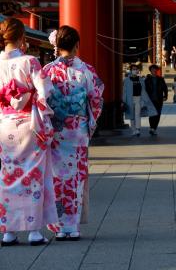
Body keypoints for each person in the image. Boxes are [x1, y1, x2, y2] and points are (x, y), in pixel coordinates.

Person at [0, 18, 57, 246]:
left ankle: (9, 232)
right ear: (22, 37)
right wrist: (32, 99)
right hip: (29, 124)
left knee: (8, 175)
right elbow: (44, 91)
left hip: (4, 126)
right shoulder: (30, 61)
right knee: (33, 175)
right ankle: (34, 231)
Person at [44, 26, 104, 241]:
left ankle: (60, 226)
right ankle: (73, 226)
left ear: (57, 46)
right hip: (77, 131)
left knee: (57, 178)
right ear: (77, 45)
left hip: (56, 130)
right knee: (76, 178)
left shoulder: (48, 71)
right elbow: (96, 99)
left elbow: (41, 101)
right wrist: (90, 123)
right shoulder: (86, 70)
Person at [122, 64, 157, 136]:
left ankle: (138, 129)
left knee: (137, 114)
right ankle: (133, 129)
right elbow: (124, 91)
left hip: (139, 98)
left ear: (138, 70)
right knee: (131, 115)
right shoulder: (127, 80)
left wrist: (144, 99)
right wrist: (123, 101)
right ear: (131, 70)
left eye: (136, 69)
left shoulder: (141, 79)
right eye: (133, 69)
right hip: (130, 99)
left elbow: (144, 90)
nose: (135, 70)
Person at [145, 64, 168, 135]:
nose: (154, 70)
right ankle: (152, 128)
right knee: (151, 114)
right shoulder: (147, 80)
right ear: (150, 71)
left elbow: (165, 88)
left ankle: (154, 128)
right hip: (150, 99)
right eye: (152, 69)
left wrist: (165, 95)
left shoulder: (161, 79)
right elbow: (144, 90)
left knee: (158, 114)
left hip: (159, 99)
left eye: (155, 69)